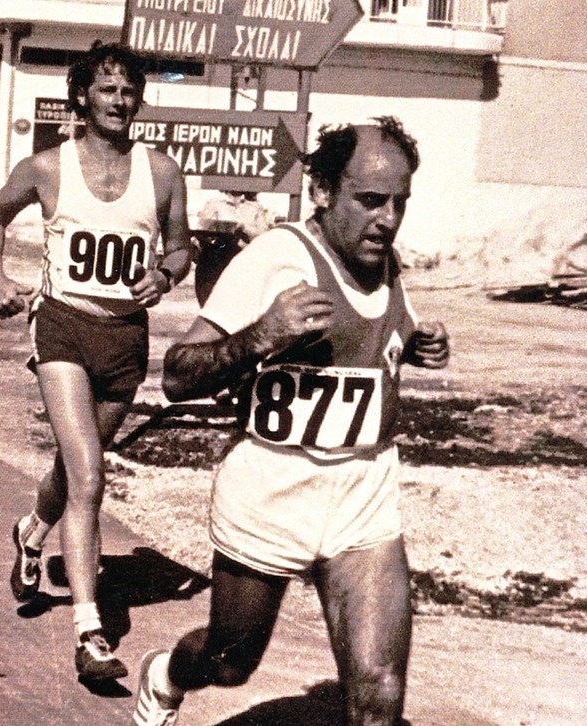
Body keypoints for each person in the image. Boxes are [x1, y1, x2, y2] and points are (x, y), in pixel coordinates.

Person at [132, 117, 449, 725]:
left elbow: (378, 338)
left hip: (363, 492)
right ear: (324, 191)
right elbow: (177, 374)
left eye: (399, 203)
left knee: (379, 694)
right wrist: (260, 335)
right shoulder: (276, 257)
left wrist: (417, 344)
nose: (386, 219)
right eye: (370, 200)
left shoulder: (385, 259)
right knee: (230, 660)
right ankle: (167, 673)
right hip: (271, 490)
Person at [0, 41, 192, 683]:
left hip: (126, 341)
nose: (120, 101)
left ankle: (31, 533)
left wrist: (166, 274)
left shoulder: (162, 172)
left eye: (128, 91)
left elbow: (182, 249)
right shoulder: (47, 167)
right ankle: (90, 632)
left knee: (74, 470)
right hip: (63, 328)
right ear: (82, 97)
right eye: (107, 90)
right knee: (91, 475)